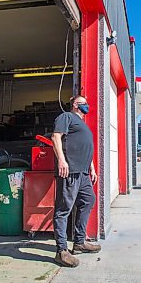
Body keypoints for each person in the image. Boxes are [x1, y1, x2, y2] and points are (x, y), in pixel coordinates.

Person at [51, 95, 101, 267]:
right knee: (63, 209)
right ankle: (61, 251)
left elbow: (86, 146)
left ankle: (79, 242)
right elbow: (56, 137)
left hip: (83, 172)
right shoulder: (66, 117)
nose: (87, 105)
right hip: (70, 170)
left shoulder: (83, 124)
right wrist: (61, 160)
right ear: (75, 104)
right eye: (84, 102)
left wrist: (92, 167)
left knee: (88, 201)